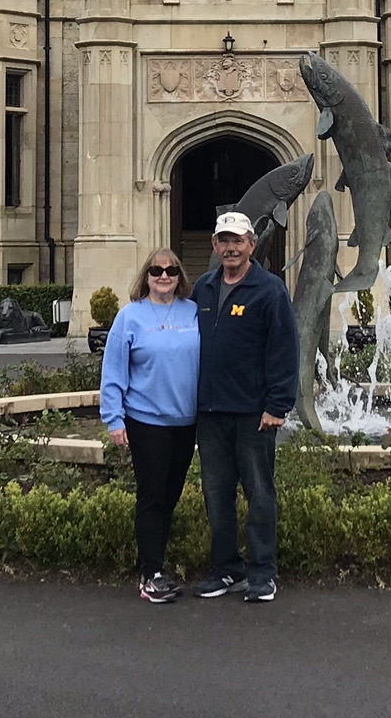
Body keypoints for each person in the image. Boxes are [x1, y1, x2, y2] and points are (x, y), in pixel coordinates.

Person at [190, 209, 298, 603]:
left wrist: (278, 404)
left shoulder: (269, 290)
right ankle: (225, 570)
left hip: (254, 412)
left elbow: (285, 350)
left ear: (252, 244)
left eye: (238, 240)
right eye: (224, 240)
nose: (231, 248)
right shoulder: (202, 288)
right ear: (215, 246)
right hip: (210, 412)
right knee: (216, 494)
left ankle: (261, 573)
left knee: (259, 493)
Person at [98, 248, 200, 604]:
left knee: (169, 497)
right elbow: (114, 370)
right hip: (146, 420)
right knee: (152, 497)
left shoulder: (193, 312)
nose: (164, 276)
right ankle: (150, 574)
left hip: (185, 421)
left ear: (179, 276)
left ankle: (156, 564)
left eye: (171, 270)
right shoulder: (130, 317)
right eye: (156, 270)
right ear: (146, 275)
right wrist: (113, 418)